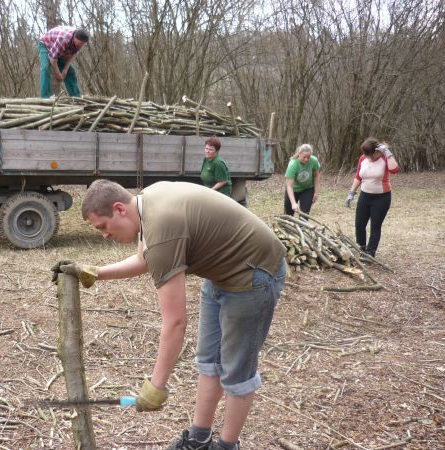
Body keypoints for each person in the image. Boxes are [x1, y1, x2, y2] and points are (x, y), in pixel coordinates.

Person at [52, 180, 287, 450]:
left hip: (254, 273)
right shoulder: (146, 204)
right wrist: (93, 271)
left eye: (103, 227)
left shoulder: (162, 227)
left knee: (237, 372)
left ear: (119, 209)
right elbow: (144, 259)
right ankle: (199, 440)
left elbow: (175, 322)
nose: (104, 235)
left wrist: (155, 387)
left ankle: (226, 446)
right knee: (209, 361)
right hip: (221, 272)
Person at [345, 138, 400, 257]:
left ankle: (370, 253)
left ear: (376, 152)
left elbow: (394, 169)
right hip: (365, 196)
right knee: (359, 224)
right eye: (366, 155)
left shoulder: (385, 158)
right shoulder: (363, 158)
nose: (368, 158)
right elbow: (358, 177)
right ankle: (361, 249)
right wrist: (351, 193)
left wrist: (387, 152)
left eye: (370, 155)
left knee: (375, 225)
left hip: (381, 198)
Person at [38, 26, 89, 98]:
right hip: (45, 45)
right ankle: (45, 97)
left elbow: (73, 54)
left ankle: (75, 96)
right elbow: (52, 58)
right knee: (45, 68)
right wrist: (58, 73)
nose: (81, 45)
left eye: (83, 44)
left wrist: (65, 69)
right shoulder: (63, 39)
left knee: (71, 71)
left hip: (58, 49)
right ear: (74, 37)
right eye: (80, 43)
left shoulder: (79, 42)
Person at [283, 143, 321, 215]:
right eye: (304, 157)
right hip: (293, 189)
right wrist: (294, 203)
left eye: (308, 157)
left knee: (304, 213)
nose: (306, 159)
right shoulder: (293, 164)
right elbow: (289, 186)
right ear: (299, 154)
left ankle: (302, 226)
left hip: (307, 188)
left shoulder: (314, 161)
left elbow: (316, 176)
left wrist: (316, 192)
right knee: (288, 214)